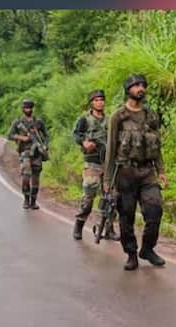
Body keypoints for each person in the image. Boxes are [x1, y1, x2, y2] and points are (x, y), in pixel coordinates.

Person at [103, 74, 168, 271]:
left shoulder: (151, 115)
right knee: (126, 215)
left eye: (143, 85)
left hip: (147, 171)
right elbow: (111, 149)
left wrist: (161, 170)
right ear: (128, 90)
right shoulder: (118, 117)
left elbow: (156, 145)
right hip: (125, 172)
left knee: (155, 209)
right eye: (136, 85)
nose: (141, 89)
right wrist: (108, 179)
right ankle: (131, 254)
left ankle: (147, 249)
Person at [72, 89, 118, 241]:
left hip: (109, 163)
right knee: (88, 197)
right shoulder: (84, 120)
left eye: (102, 99)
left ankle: (109, 228)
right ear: (92, 102)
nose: (100, 102)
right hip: (92, 162)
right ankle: (79, 225)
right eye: (96, 100)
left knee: (111, 198)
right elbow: (76, 135)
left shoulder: (110, 119)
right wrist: (85, 143)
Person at [7, 99, 50, 210]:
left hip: (37, 153)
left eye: (30, 108)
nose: (28, 110)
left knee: (36, 178)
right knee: (26, 175)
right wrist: (23, 138)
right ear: (23, 109)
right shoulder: (18, 122)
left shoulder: (38, 122)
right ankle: (26, 199)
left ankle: (33, 201)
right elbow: (10, 135)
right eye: (26, 108)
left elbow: (46, 135)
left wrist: (44, 145)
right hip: (25, 152)